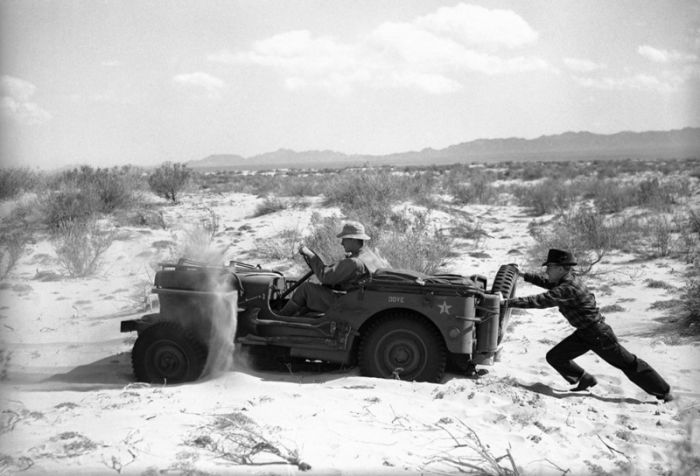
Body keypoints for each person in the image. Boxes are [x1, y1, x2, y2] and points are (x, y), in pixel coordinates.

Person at [501, 248, 674, 402]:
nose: (546, 270)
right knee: (555, 357)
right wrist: (523, 275)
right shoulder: (566, 280)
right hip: (585, 333)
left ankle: (664, 392)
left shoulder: (567, 288)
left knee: (628, 364)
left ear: (561, 269)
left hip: (598, 334)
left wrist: (508, 302)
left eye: (549, 267)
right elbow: (547, 283)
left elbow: (540, 300)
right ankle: (584, 379)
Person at [278, 221, 389, 316]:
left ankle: (280, 317)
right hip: (360, 300)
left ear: (353, 240)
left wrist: (310, 255)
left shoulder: (354, 262)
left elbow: (325, 276)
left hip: (349, 304)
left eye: (344, 239)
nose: (341, 243)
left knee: (306, 289)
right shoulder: (369, 255)